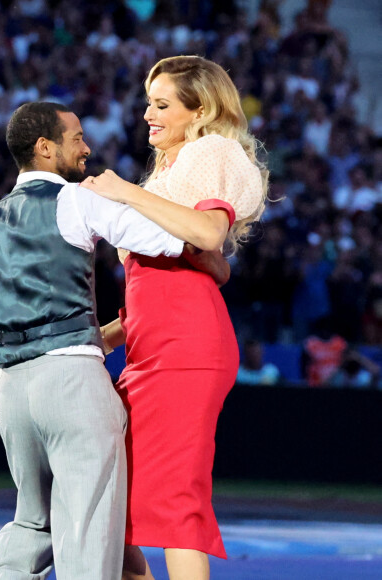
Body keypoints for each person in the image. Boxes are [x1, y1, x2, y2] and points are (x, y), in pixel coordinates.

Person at [0, 101, 230, 580]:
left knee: (31, 524)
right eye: (76, 138)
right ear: (45, 148)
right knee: (89, 537)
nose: (86, 148)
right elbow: (175, 241)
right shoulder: (76, 200)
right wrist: (214, 257)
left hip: (9, 390)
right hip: (72, 383)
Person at [84, 56, 268, 580]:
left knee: (174, 505)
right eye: (149, 103)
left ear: (200, 110)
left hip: (186, 352)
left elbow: (210, 235)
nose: (148, 114)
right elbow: (204, 264)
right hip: (151, 349)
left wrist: (123, 191)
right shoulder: (172, 169)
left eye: (162, 104)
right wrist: (106, 336)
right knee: (110, 504)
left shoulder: (211, 150)